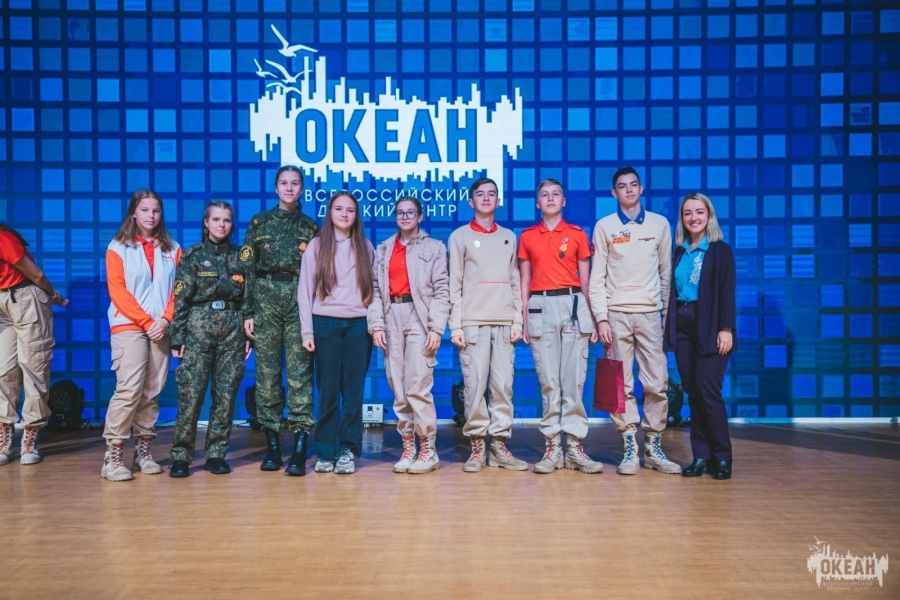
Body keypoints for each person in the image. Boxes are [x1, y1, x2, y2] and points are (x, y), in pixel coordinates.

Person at [588, 167, 681, 475]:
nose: (628, 190)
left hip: (650, 314)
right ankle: (629, 446)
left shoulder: (659, 224)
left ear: (641, 189)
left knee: (657, 383)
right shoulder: (604, 226)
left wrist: (666, 315)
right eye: (622, 186)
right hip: (616, 315)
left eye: (633, 185)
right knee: (620, 386)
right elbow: (597, 277)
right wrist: (601, 318)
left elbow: (666, 273)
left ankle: (653, 448)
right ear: (613, 193)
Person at [518, 179, 603, 474]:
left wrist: (593, 317)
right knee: (549, 381)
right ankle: (553, 448)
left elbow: (586, 282)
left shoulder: (577, 234)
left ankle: (575, 447)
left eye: (556, 194)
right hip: (540, 306)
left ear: (564, 201)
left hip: (573, 304)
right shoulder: (527, 236)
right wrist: (524, 318)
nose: (551, 198)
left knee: (574, 380)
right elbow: (524, 281)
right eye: (545, 195)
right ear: (537, 203)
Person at [240, 165, 319, 475]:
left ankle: (299, 450)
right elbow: (247, 270)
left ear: (302, 189)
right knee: (267, 377)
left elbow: (318, 274)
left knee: (300, 376)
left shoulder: (310, 227)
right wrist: (248, 312)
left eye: (295, 183)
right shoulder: (259, 223)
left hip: (300, 303)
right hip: (266, 303)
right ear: (276, 188)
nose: (289, 188)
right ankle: (273, 448)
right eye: (284, 183)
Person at [102, 190, 182, 482]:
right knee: (129, 389)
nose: (151, 215)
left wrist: (166, 319)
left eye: (156, 211)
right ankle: (113, 456)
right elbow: (118, 291)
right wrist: (147, 322)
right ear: (134, 213)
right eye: (145, 210)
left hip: (161, 327)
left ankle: (143, 452)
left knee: (152, 390)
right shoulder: (117, 247)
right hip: (129, 326)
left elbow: (178, 291)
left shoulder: (173, 248)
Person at [168, 202, 252, 478]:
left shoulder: (241, 257)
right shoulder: (193, 256)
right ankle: (181, 456)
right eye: (216, 219)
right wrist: (177, 337)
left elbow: (249, 298)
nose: (221, 225)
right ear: (206, 222)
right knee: (191, 394)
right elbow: (181, 299)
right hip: (199, 327)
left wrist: (248, 334)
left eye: (226, 220)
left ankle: (216, 454)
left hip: (233, 328)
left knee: (226, 395)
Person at [449, 178, 527, 473]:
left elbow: (515, 280)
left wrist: (517, 320)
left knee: (503, 387)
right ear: (471, 202)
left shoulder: (508, 236)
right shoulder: (459, 236)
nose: (485, 198)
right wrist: (456, 326)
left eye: (491, 194)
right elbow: (454, 284)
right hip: (472, 323)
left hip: (504, 322)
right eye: (480, 194)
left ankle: (499, 447)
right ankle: (477, 446)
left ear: (498, 200)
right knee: (474, 387)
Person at [368, 196, 450, 474]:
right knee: (398, 386)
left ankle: (428, 449)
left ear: (420, 216)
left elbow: (441, 290)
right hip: (391, 313)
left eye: (410, 212)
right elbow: (374, 291)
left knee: (418, 384)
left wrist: (436, 327)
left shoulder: (435, 247)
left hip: (419, 315)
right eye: (400, 212)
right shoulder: (383, 249)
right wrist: (376, 325)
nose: (405, 217)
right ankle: (408, 447)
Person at [298, 191, 374, 475]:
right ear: (330, 213)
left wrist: (374, 325)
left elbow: (374, 291)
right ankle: (326, 452)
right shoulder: (317, 246)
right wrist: (307, 332)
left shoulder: (365, 246)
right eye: (339, 209)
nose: (344, 214)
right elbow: (304, 291)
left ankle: (347, 450)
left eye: (350, 210)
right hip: (325, 324)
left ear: (356, 215)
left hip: (358, 326)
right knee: (328, 391)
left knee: (353, 392)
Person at [664, 193, 736, 480]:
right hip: (683, 325)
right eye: (687, 213)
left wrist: (726, 328)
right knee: (693, 392)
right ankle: (701, 456)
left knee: (708, 392)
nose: (693, 218)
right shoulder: (679, 252)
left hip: (711, 325)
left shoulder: (720, 251)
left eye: (699, 212)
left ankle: (722, 456)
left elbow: (727, 292)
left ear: (709, 216)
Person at [0, 225, 68, 466]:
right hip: (3, 304)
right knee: (4, 371)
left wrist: (53, 295)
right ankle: (5, 434)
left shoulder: (2, 237)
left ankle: (30, 435)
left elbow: (36, 275)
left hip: (26, 297)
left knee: (34, 368)